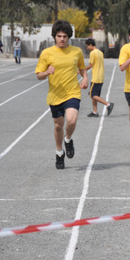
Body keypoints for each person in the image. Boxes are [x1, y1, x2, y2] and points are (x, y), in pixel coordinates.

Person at [35, 20, 88, 169]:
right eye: (59, 36)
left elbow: (82, 68)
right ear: (55, 36)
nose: (62, 39)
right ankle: (59, 153)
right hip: (55, 95)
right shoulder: (47, 53)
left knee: (71, 120)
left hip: (72, 92)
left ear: (69, 37)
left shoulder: (76, 51)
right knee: (58, 126)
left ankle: (68, 139)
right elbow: (39, 75)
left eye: (65, 36)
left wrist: (85, 77)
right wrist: (46, 72)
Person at [85, 39, 114, 117]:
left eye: (87, 46)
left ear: (90, 45)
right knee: (95, 95)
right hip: (101, 76)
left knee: (92, 95)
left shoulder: (93, 53)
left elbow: (90, 65)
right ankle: (95, 112)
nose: (87, 48)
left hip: (96, 77)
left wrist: (82, 70)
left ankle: (108, 104)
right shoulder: (100, 52)